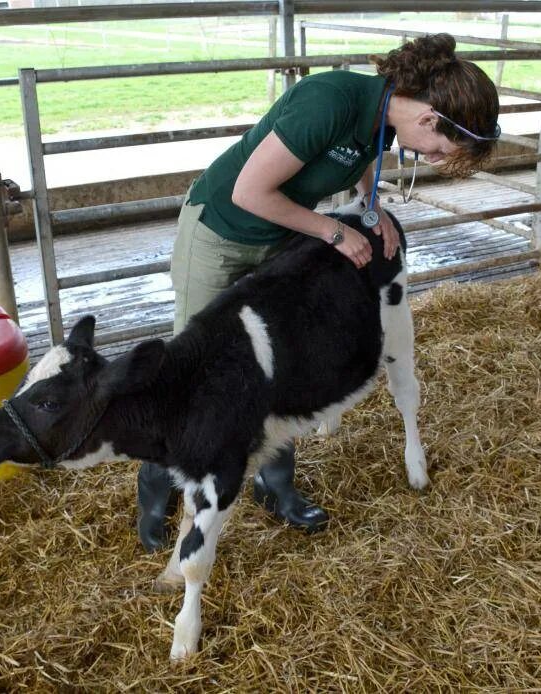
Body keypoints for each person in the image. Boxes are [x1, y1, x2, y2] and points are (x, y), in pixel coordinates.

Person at [137, 33, 500, 552]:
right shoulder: (329, 102)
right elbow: (248, 191)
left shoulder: (384, 116)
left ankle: (274, 484)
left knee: (279, 363)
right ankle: (158, 491)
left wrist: (366, 205)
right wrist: (334, 231)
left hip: (281, 234)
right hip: (221, 231)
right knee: (193, 372)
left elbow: (358, 155)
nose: (438, 160)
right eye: (442, 150)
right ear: (427, 119)